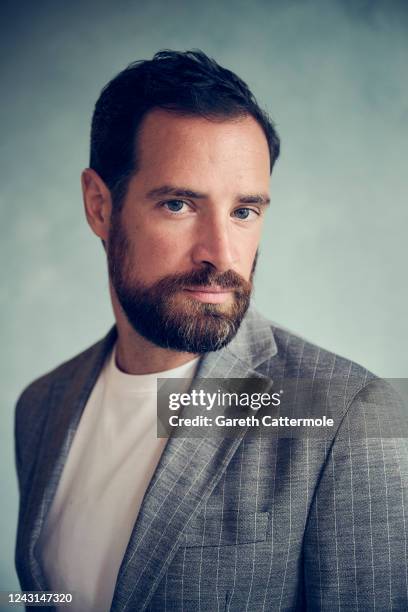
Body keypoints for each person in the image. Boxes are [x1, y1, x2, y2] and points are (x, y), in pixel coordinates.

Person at [14, 49, 407, 612]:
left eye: (245, 211)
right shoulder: (39, 409)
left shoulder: (350, 417)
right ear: (100, 206)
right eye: (178, 204)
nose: (221, 255)